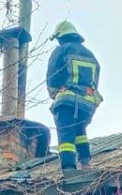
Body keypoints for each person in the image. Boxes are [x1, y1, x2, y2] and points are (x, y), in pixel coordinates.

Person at [46, 21, 101, 171]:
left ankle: (69, 167)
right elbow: (94, 81)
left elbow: (52, 78)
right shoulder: (90, 54)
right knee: (80, 131)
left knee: (66, 133)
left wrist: (56, 91)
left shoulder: (61, 50)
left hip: (67, 100)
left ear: (60, 36)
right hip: (87, 104)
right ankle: (85, 162)